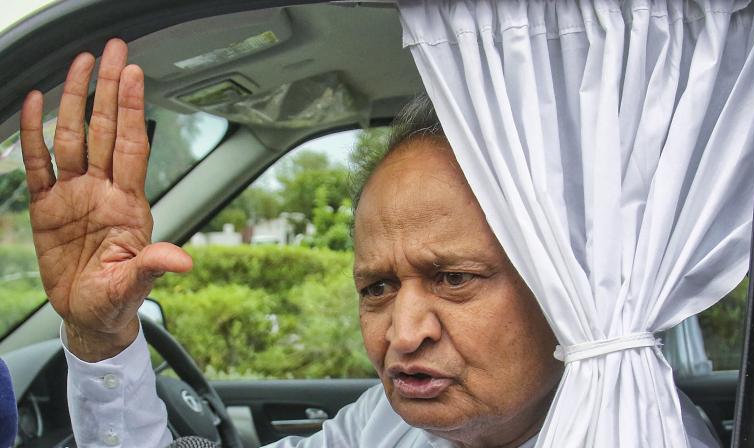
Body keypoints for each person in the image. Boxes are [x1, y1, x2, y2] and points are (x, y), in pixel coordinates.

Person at [19, 40, 717, 448]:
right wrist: (101, 335)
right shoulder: (389, 422)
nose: (402, 334)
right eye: (377, 287)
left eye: (454, 278)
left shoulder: (643, 428)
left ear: (566, 286)